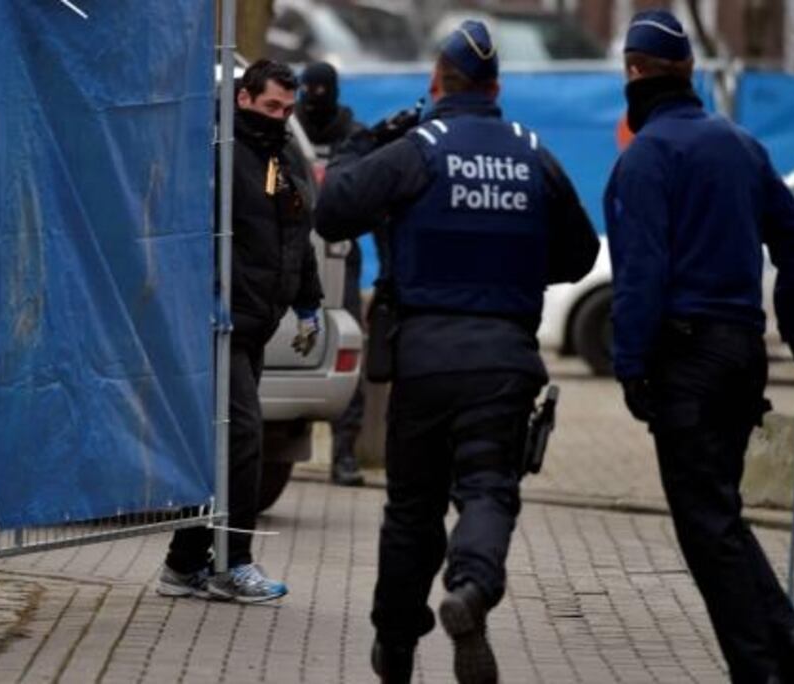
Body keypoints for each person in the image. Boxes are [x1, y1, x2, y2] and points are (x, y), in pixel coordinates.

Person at [316, 21, 599, 684]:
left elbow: (331, 213)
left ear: (436, 83)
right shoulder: (533, 153)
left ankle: (397, 648)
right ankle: (470, 588)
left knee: (411, 508)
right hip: (505, 358)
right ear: (497, 87)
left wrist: (361, 147)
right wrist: (514, 273)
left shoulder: (418, 149)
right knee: (488, 490)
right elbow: (582, 254)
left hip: (424, 359)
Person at [605, 11, 794, 683]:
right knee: (719, 514)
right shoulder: (741, 145)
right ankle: (785, 640)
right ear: (691, 74)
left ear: (634, 73)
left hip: (687, 362)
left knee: (705, 525)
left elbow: (641, 275)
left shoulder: (645, 159)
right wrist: (793, 326)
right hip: (741, 354)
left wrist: (631, 365)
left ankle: (761, 665)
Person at [158, 59, 323, 604]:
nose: (280, 116)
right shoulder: (216, 152)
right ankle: (233, 563)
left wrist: (308, 302)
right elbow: (184, 230)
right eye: (271, 106)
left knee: (221, 447)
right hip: (217, 324)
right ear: (244, 99)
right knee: (243, 439)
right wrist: (204, 294)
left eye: (288, 109)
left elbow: (294, 229)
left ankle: (183, 566)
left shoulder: (278, 154)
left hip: (254, 324)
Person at [296, 61, 367, 487]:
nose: (316, 98)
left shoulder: (352, 135)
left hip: (339, 254)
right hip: (291, 248)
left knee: (346, 346)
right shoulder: (289, 129)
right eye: (311, 90)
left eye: (322, 90)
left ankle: (345, 453)